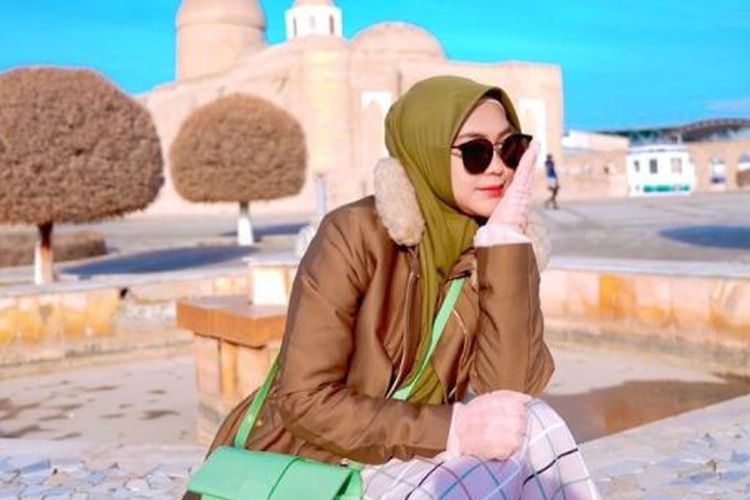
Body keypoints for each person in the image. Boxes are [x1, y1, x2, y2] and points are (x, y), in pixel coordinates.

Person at [185, 76, 600, 499]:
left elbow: (511, 388)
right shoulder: (355, 234)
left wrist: (506, 241)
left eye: (510, 148)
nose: (498, 167)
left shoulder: (487, 250)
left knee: (533, 422)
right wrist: (453, 429)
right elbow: (304, 400)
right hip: (312, 463)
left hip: (402, 454)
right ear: (426, 152)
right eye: (476, 152)